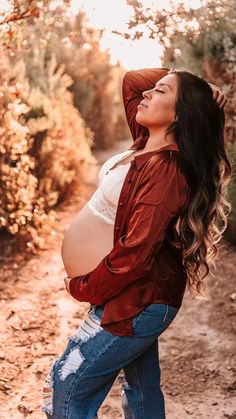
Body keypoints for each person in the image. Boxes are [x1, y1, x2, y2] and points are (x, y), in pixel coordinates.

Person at [41, 67, 231, 418]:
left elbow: (135, 254)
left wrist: (82, 286)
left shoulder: (166, 170)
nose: (146, 95)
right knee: (140, 392)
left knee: (65, 388)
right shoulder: (146, 142)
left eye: (159, 92)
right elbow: (133, 81)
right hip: (128, 295)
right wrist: (202, 87)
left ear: (178, 114)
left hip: (134, 301)